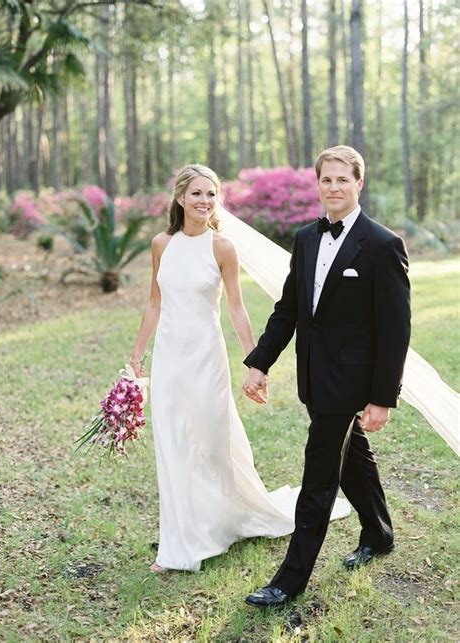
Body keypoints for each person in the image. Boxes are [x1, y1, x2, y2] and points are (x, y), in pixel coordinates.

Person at [128, 164, 350, 573]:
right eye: (196, 193)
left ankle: (226, 519)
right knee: (174, 444)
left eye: (211, 194)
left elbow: (235, 306)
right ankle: (181, 542)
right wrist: (138, 354)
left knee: (212, 444)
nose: (204, 201)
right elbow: (154, 302)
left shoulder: (221, 247)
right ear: (180, 198)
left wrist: (256, 362)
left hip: (206, 358)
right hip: (170, 360)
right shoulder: (162, 244)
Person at [243, 145, 411, 607]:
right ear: (317, 184)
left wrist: (382, 397)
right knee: (352, 455)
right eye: (326, 180)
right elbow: (290, 308)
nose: (333, 188)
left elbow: (396, 331)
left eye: (342, 179)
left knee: (318, 478)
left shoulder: (381, 245)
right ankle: (378, 534)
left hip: (352, 383)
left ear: (359, 183)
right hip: (313, 376)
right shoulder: (306, 239)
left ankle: (289, 580)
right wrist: (260, 361)